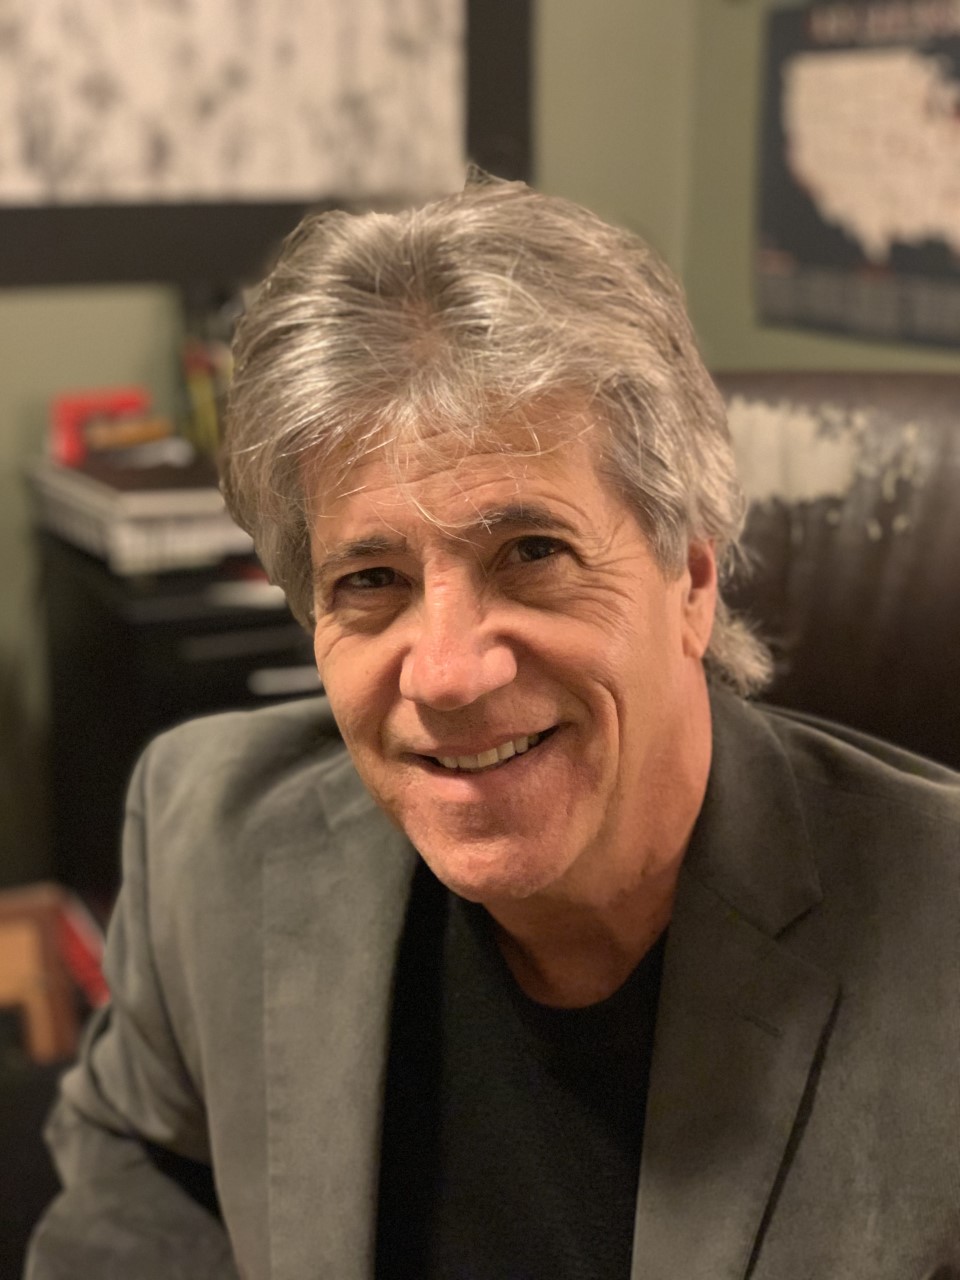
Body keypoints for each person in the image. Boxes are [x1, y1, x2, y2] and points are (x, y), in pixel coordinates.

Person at [26, 177, 960, 1280]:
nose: (452, 670)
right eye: (370, 578)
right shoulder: (207, 834)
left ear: (693, 579)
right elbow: (144, 1178)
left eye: (531, 552)